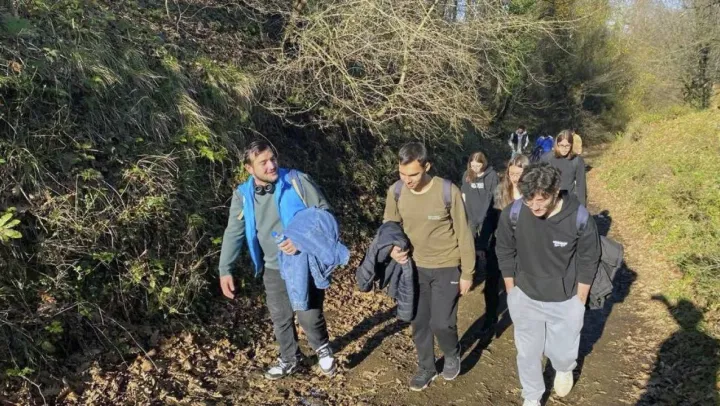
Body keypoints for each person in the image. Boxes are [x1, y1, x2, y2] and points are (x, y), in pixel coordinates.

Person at [218, 140, 337, 380]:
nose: (271, 165)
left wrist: (301, 240)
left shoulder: (297, 181)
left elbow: (324, 214)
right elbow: (234, 232)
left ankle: (322, 348)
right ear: (249, 168)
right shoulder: (243, 196)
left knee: (308, 313)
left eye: (273, 159)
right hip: (272, 266)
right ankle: (290, 359)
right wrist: (225, 268)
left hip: (303, 262)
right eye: (263, 162)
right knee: (280, 316)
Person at [495, 162, 601, 406]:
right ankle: (532, 395)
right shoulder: (513, 214)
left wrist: (580, 300)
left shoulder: (579, 218)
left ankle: (564, 368)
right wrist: (511, 290)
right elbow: (504, 250)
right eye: (528, 199)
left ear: (555, 191)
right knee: (527, 353)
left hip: (565, 299)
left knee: (562, 352)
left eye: (541, 200)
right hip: (525, 295)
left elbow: (589, 259)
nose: (534, 206)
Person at [383, 142, 475, 391]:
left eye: (413, 174)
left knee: (442, 323)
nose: (407, 180)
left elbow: (464, 233)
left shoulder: (447, 191)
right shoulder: (396, 191)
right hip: (414, 268)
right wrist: (392, 248)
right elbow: (390, 224)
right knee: (419, 322)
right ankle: (426, 367)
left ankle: (452, 353)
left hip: (447, 265)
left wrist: (468, 272)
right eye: (402, 173)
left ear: (427, 167)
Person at [460, 151, 501, 334]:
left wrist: (487, 216)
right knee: (469, 246)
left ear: (484, 163)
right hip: (470, 216)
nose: (475, 167)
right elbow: (463, 194)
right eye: (473, 164)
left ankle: (486, 266)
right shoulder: (467, 175)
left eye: (478, 164)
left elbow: (493, 198)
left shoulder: (492, 176)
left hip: (485, 216)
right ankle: (472, 272)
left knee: (484, 245)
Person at [542, 130, 587, 205]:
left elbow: (581, 186)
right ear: (557, 144)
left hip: (569, 201)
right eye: (561, 145)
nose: (564, 148)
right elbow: (540, 181)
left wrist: (582, 206)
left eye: (567, 146)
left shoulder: (577, 160)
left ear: (571, 145)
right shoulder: (547, 158)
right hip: (550, 201)